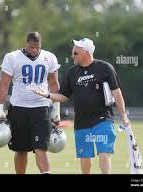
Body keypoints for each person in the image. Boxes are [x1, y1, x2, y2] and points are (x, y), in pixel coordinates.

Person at [31, 38, 130, 174]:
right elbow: (63, 96)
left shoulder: (105, 68)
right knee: (85, 158)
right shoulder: (72, 72)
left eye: (75, 53)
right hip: (82, 121)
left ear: (86, 52)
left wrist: (123, 115)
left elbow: (117, 93)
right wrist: (47, 95)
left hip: (103, 119)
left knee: (104, 151)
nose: (72, 56)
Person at [0, 32, 61, 174]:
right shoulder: (12, 57)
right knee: (21, 148)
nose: (34, 50)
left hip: (41, 108)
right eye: (31, 47)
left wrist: (56, 109)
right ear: (26, 44)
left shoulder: (49, 57)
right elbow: (4, 83)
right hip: (19, 108)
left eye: (37, 47)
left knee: (41, 147)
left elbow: (54, 84)